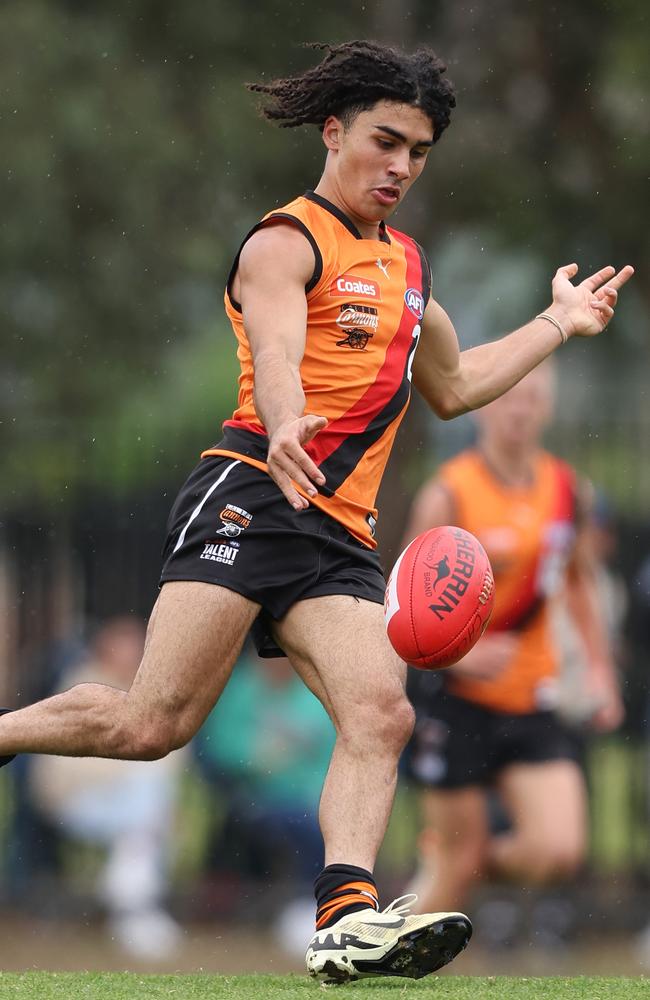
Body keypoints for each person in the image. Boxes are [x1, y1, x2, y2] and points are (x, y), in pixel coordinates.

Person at [0, 40, 633, 983]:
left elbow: (455, 388)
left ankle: (344, 917)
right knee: (151, 725)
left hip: (337, 533)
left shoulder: (411, 270)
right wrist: (291, 422)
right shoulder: (283, 242)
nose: (400, 167)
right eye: (384, 141)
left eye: (417, 152)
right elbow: (279, 350)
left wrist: (555, 325)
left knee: (381, 712)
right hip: (256, 490)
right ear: (333, 132)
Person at [402, 363, 624, 927]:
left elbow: (577, 585)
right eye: (508, 397)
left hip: (533, 697)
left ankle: (459, 861)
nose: (519, 409)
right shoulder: (448, 493)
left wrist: (600, 671)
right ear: (483, 404)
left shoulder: (568, 489)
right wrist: (463, 654)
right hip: (456, 702)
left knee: (558, 852)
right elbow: (401, 604)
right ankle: (385, 955)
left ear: (547, 408)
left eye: (532, 399)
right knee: (454, 877)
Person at [27, 617, 185, 959]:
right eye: (125, 650)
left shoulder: (158, 693)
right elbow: (66, 766)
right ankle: (134, 909)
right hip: (75, 802)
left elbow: (171, 760)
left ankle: (130, 904)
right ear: (104, 651)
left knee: (145, 806)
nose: (133, 658)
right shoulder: (80, 687)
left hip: (136, 805)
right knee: (146, 805)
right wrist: (126, 774)